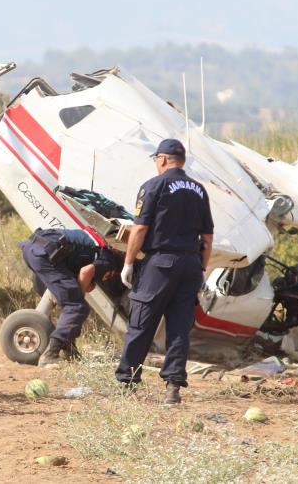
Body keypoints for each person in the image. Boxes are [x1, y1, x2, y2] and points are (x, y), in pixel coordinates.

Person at [115, 138, 214, 405]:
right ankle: (173, 388)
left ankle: (127, 380)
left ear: (161, 160)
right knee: (179, 327)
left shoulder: (154, 186)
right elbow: (207, 236)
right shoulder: (199, 190)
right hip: (191, 265)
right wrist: (202, 268)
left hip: (161, 264)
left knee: (141, 322)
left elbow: (139, 228)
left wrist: (128, 262)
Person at [21, 228, 120, 366]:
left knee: (74, 305)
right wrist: (75, 305)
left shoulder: (96, 241)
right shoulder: (109, 257)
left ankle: (70, 351)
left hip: (32, 249)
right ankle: (50, 355)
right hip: (47, 253)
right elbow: (86, 273)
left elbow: (83, 276)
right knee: (77, 307)